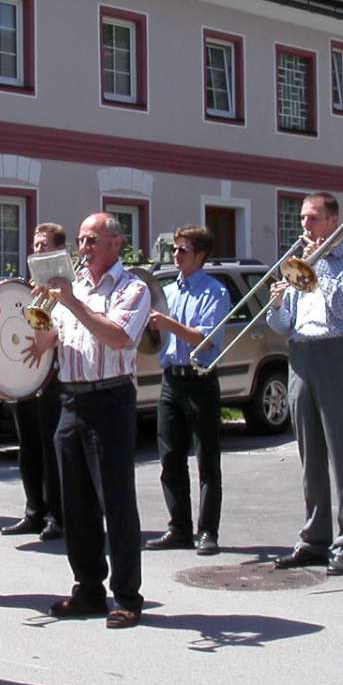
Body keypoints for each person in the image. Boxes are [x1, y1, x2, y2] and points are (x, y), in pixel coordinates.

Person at [29, 213, 151, 629]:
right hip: (70, 399)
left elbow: (118, 337)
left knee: (115, 502)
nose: (83, 249)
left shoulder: (132, 288)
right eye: (81, 241)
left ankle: (127, 596)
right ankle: (88, 588)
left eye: (92, 241)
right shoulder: (73, 286)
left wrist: (71, 303)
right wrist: (40, 326)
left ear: (116, 244)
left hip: (110, 398)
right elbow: (55, 337)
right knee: (75, 503)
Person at [268, 192, 343, 577]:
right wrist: (278, 302)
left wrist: (315, 272)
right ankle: (314, 538)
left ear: (333, 221)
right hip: (300, 357)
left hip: (334, 355)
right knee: (309, 455)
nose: (305, 227)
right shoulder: (296, 265)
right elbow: (282, 326)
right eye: (302, 219)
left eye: (313, 219)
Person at [146, 225, 232, 556]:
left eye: (183, 250)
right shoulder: (167, 291)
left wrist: (169, 325)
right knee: (170, 457)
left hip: (200, 379)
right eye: (175, 250)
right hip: (171, 379)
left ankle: (207, 531)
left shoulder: (215, 292)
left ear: (200, 255)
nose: (176, 256)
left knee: (207, 460)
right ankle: (178, 527)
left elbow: (207, 338)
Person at [3, 223, 66, 541]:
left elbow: (63, 330)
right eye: (35, 244)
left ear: (58, 250)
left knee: (51, 447)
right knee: (28, 446)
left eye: (44, 245)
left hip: (54, 378)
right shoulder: (28, 290)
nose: (37, 250)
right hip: (26, 375)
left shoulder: (66, 288)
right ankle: (33, 511)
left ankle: (57, 514)